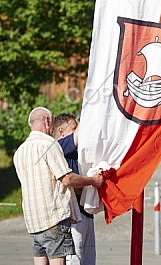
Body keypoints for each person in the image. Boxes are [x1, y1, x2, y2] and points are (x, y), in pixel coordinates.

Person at [13, 107, 104, 265]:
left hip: (34, 220)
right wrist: (92, 181)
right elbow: (67, 179)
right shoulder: (49, 144)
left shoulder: (20, 151)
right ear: (47, 121)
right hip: (53, 218)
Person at [53, 113, 96, 265]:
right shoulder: (58, 147)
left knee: (88, 259)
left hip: (85, 211)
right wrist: (92, 109)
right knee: (75, 259)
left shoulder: (75, 150)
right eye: (74, 128)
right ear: (61, 131)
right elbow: (69, 180)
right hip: (72, 213)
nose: (78, 131)